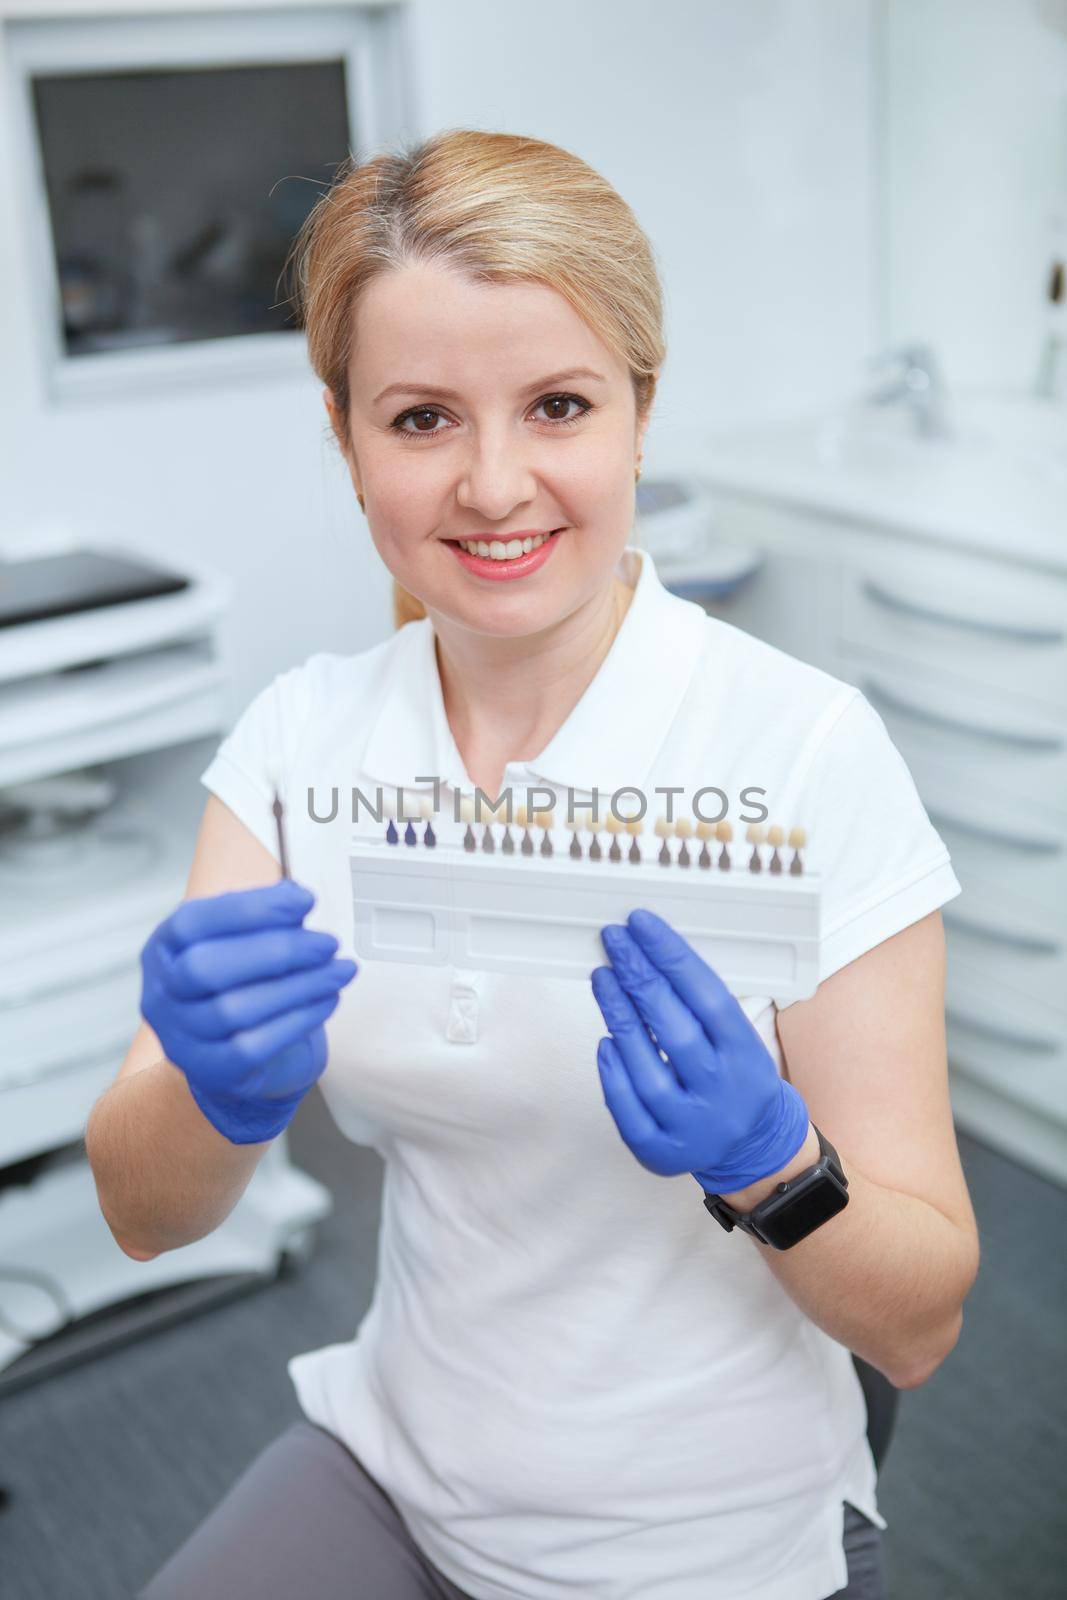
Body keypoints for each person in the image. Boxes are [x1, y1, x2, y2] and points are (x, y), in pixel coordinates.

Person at [87, 129, 980, 1600]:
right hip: (399, 1464)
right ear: (344, 433)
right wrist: (208, 1089)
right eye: (423, 418)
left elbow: (921, 1328)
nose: (495, 485)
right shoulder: (300, 745)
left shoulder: (804, 751)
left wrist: (776, 1167)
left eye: (558, 405)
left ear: (640, 408)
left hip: (708, 1540)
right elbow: (143, 1214)